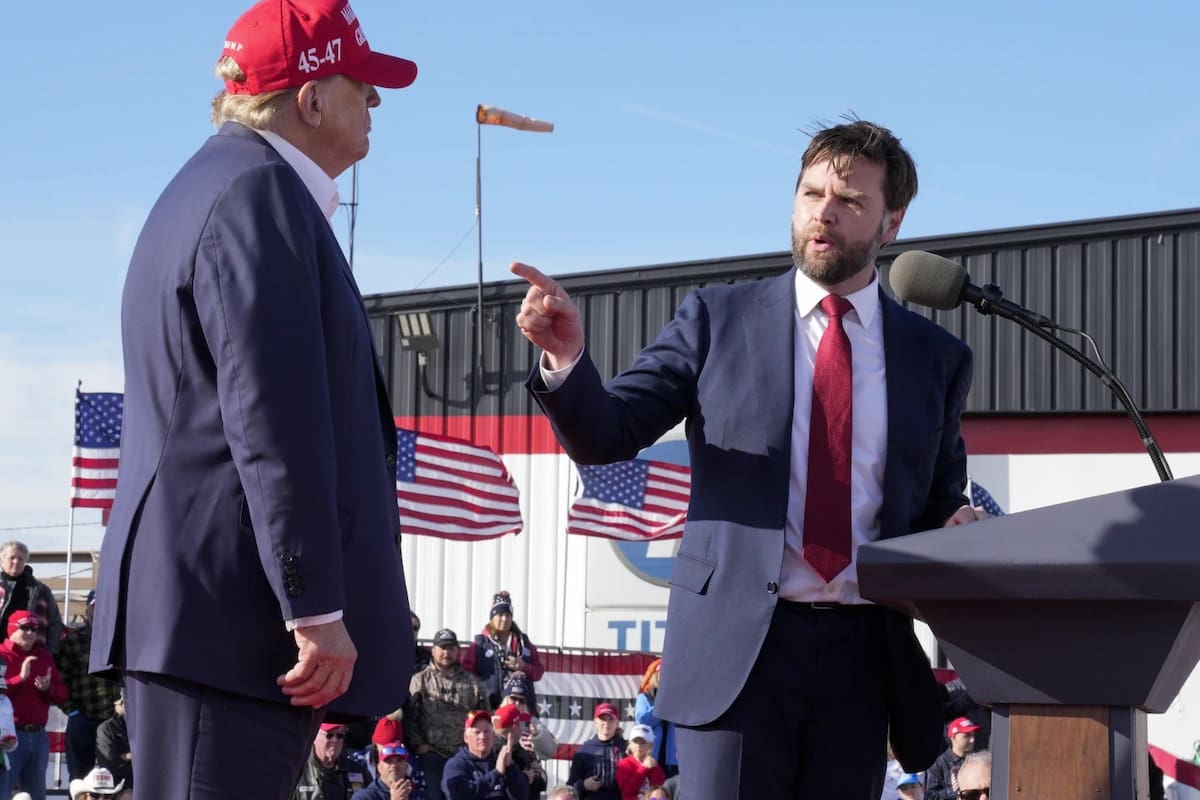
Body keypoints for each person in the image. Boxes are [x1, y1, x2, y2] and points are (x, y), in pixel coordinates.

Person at [513, 118, 987, 799]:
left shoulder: (935, 358)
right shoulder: (716, 318)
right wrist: (566, 361)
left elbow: (937, 497)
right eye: (811, 193)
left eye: (850, 201)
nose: (823, 211)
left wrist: (955, 527)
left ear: (892, 222)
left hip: (863, 656)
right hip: (738, 654)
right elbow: (610, 432)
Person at [88, 1, 420, 797]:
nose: (374, 102)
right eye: (360, 84)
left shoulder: (221, 184)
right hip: (232, 626)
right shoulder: (256, 194)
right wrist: (313, 606)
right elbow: (273, 418)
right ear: (309, 99)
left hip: (210, 623)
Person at [407, 629, 491, 800]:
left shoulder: (473, 682)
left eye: (451, 648)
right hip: (431, 756)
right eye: (443, 648)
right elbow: (410, 719)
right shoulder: (419, 680)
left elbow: (485, 717)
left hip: (463, 757)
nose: (447, 653)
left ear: (458, 650)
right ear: (433, 650)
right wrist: (420, 746)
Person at [0, 611, 67, 800]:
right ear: (11, 628)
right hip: (7, 738)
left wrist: (47, 689)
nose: (30, 633)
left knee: (36, 795)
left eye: (34, 629)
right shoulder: (1, 655)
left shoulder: (44, 657)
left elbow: (62, 695)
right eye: (25, 628)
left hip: (38, 736)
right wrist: (19, 679)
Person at [57, 590, 122, 780]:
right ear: (87, 610)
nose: (99, 610)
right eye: (95, 606)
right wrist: (72, 711)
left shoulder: (121, 640)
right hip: (82, 720)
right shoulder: (72, 641)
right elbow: (60, 680)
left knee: (116, 777)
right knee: (79, 778)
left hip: (114, 722)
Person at [461, 592, 544, 710]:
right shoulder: (480, 645)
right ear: (492, 617)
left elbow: (539, 672)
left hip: (521, 708)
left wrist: (524, 667)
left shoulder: (524, 643)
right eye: (500, 615)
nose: (504, 619)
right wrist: (480, 690)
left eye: (508, 615)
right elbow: (466, 673)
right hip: (491, 708)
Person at [441, 710, 528, 800]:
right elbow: (459, 796)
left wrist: (510, 768)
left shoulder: (500, 761)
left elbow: (521, 796)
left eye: (487, 732)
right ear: (466, 738)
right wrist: (496, 774)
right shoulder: (456, 765)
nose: (483, 737)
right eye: (477, 732)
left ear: (492, 736)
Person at [0, 542, 62, 653]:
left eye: (21, 559)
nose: (16, 562)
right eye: (12, 558)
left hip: (33, 655)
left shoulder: (41, 590)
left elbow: (55, 622)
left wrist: (50, 651)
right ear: (1, 560)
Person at [567, 703, 627, 800]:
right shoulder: (584, 751)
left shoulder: (627, 749)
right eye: (603, 719)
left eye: (611, 719)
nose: (606, 723)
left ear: (617, 723)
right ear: (595, 722)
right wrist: (583, 785)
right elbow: (570, 788)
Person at [633, 660, 677, 778]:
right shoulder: (644, 697)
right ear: (655, 676)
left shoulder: (679, 699)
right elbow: (642, 720)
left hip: (675, 762)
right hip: (651, 760)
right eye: (662, 675)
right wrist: (663, 705)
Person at [294, 722, 354, 800]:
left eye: (340, 736)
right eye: (329, 735)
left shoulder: (357, 771)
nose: (335, 740)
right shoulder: (296, 772)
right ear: (314, 737)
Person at [925, 717, 978, 800]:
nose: (972, 740)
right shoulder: (938, 764)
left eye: (973, 735)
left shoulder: (977, 762)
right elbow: (929, 796)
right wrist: (956, 791)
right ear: (953, 737)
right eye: (966, 736)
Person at [352, 742, 418, 800]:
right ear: (379, 767)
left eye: (399, 760)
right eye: (388, 761)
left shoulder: (419, 796)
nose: (394, 765)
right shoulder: (364, 797)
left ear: (406, 766)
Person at [615, 724, 665, 800]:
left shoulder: (655, 767)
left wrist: (652, 769)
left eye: (643, 742)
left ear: (650, 745)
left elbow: (659, 792)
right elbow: (627, 791)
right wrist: (643, 768)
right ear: (630, 744)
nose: (638, 746)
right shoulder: (624, 764)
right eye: (635, 742)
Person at [95, 693, 132, 794]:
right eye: (125, 702)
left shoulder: (146, 727)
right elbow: (108, 762)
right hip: (119, 785)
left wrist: (126, 756)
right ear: (117, 705)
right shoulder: (106, 729)